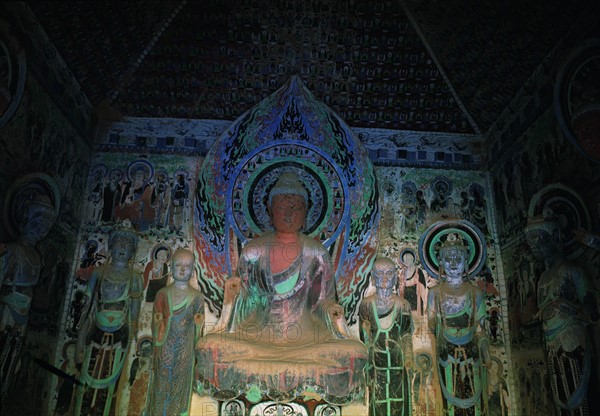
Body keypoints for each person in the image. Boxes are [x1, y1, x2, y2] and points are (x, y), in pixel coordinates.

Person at [196, 172, 367, 401]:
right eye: (281, 206)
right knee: (210, 346)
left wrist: (332, 312)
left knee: (354, 352)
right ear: (269, 210)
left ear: (305, 215)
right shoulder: (253, 252)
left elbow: (322, 303)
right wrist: (232, 297)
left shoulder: (316, 253)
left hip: (307, 342)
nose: (288, 213)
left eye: (296, 207)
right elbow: (246, 309)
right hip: (257, 340)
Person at [525, 213, 598, 416]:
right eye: (531, 242)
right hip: (551, 345)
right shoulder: (542, 279)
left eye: (539, 239)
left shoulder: (571, 270)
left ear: (555, 236)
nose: (535, 246)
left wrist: (566, 307)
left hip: (573, 343)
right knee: (561, 397)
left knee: (582, 397)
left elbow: (593, 313)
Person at [73, 222, 143, 416]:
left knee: (111, 387)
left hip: (119, 335)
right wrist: (80, 342)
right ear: (111, 245)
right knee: (84, 383)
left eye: (127, 244)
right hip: (95, 330)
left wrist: (132, 339)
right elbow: (87, 307)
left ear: (133, 249)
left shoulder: (135, 277)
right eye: (119, 242)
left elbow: (134, 315)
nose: (122, 247)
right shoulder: (99, 273)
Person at [0, 193, 58, 406]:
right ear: (25, 216)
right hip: (6, 310)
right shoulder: (12, 250)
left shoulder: (37, 257)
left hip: (21, 316)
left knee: (11, 360)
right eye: (38, 219)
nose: (42, 226)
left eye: (47, 223)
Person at [427, 233, 490, 416]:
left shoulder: (475, 293)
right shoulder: (434, 293)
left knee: (475, 400)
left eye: (458, 258)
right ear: (440, 262)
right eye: (448, 258)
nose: (453, 264)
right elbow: (431, 327)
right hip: (445, 352)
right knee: (449, 402)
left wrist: (486, 353)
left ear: (466, 261)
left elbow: (480, 327)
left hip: (471, 352)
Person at [145, 248, 204, 416]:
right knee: (161, 382)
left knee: (180, 384)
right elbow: (156, 321)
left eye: (187, 266)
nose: (183, 269)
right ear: (171, 268)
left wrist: (198, 326)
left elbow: (199, 325)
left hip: (185, 347)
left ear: (193, 270)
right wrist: (158, 330)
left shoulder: (197, 296)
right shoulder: (162, 294)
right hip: (165, 346)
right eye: (178, 265)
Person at [359, 257, 414, 415]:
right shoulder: (366, 305)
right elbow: (365, 340)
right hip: (377, 366)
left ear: (395, 277)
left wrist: (409, 358)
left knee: (400, 405)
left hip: (398, 364)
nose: (384, 277)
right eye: (380, 273)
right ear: (373, 278)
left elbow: (406, 334)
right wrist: (366, 332)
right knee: (378, 405)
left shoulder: (403, 305)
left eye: (389, 273)